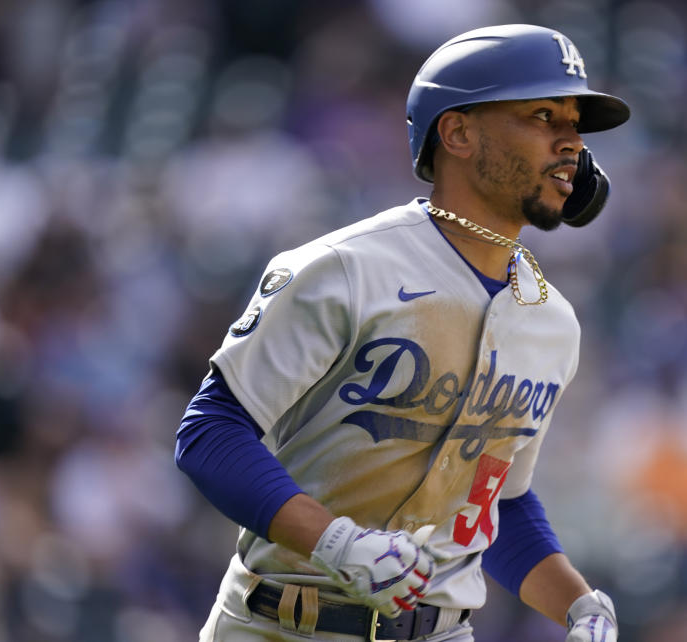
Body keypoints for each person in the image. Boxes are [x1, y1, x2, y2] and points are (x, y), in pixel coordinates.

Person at [176, 24, 629, 642]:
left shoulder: (553, 323)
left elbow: (492, 502)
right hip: (283, 624)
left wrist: (578, 603)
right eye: (543, 116)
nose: (571, 143)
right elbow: (210, 433)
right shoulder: (344, 269)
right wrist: (333, 540)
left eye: (575, 124)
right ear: (459, 132)